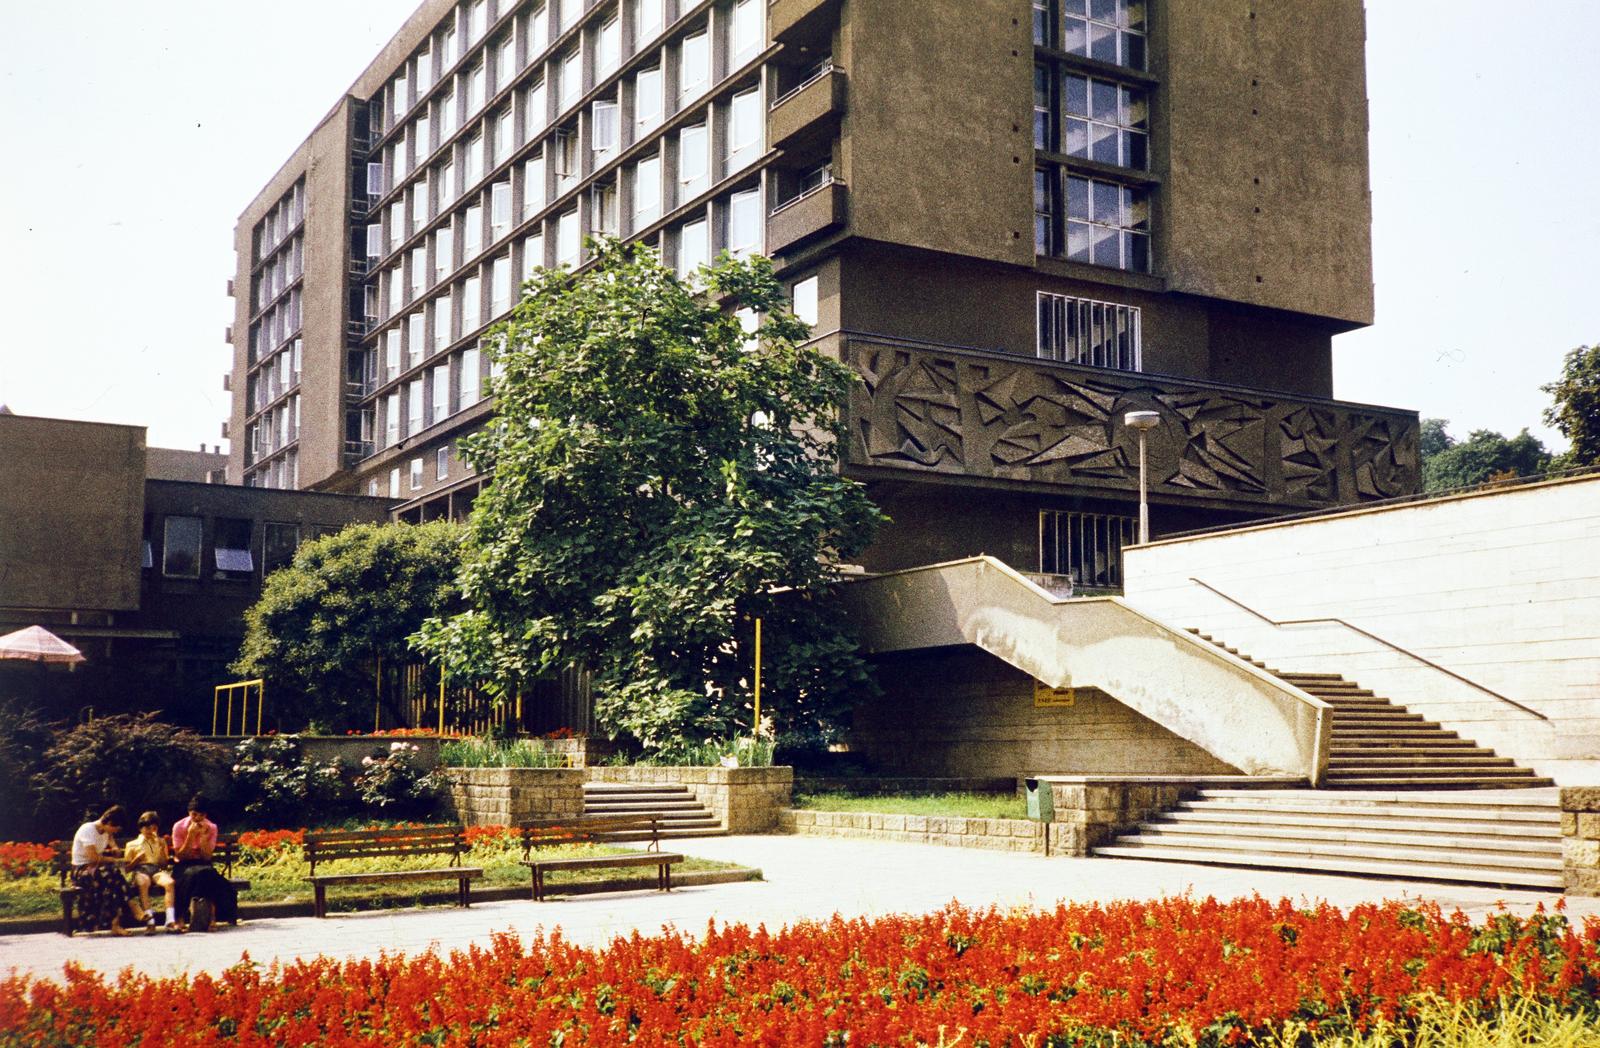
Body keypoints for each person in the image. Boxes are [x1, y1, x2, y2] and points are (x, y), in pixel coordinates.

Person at [70, 805, 154, 935]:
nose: (115, 832)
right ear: (109, 823)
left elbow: (110, 839)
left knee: (113, 880)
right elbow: (93, 858)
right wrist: (114, 860)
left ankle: (117, 923)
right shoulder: (87, 830)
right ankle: (132, 908)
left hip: (98, 870)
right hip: (81, 870)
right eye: (115, 828)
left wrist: (114, 848)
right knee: (113, 874)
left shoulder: (106, 831)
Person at [169, 795, 238, 932]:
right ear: (189, 812)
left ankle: (210, 918)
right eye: (194, 814)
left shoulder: (211, 827)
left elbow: (206, 856)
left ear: (205, 815)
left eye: (201, 815)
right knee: (196, 876)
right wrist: (190, 835)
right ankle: (184, 918)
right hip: (184, 864)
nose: (197, 818)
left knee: (207, 874)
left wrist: (204, 838)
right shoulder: (179, 826)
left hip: (203, 864)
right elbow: (181, 856)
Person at [123, 811, 182, 933]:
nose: (151, 831)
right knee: (143, 883)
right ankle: (150, 922)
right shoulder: (132, 844)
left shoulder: (160, 842)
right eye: (148, 828)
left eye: (154, 828)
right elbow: (126, 868)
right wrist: (136, 860)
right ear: (141, 828)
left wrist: (161, 850)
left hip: (156, 870)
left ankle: (170, 920)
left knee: (170, 883)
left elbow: (163, 865)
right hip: (141, 870)